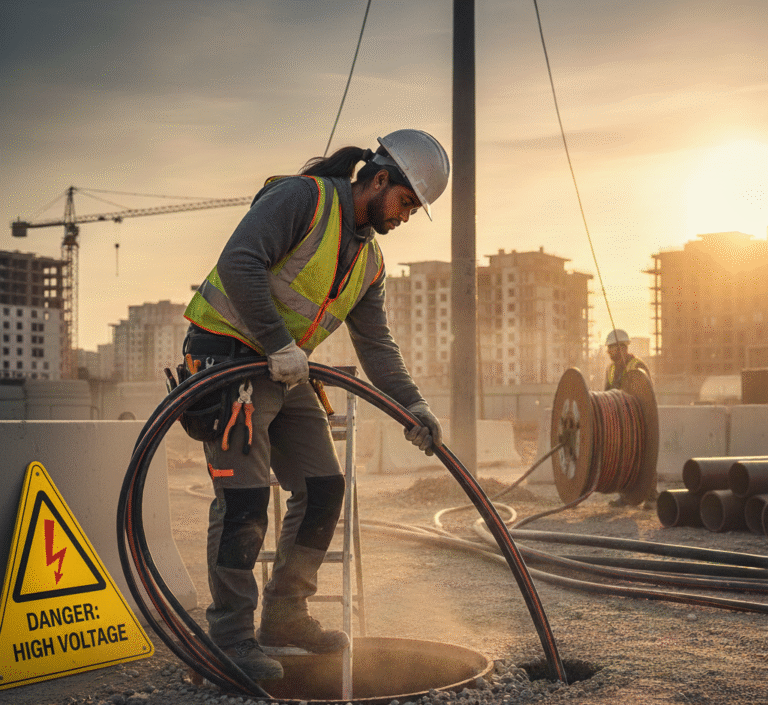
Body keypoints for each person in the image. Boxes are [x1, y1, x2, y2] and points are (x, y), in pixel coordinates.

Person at [180, 129, 450, 681]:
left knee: (324, 488)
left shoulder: (370, 261)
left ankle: (285, 615)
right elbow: (239, 262)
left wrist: (413, 406)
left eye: (412, 210)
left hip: (285, 369)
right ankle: (231, 640)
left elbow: (376, 345)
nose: (404, 217)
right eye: (404, 202)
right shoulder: (304, 198)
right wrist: (279, 344)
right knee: (245, 503)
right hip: (229, 358)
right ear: (379, 179)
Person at [603, 329, 657, 509]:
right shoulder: (611, 369)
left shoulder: (637, 365)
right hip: (620, 422)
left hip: (639, 420)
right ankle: (625, 496)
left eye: (612, 348)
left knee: (644, 457)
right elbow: (606, 394)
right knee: (623, 459)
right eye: (609, 348)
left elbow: (646, 393)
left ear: (623, 348)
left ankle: (651, 497)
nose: (609, 352)